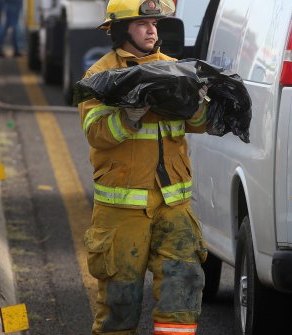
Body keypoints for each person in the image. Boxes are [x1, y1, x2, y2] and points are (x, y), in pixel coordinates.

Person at [78, 1, 210, 334]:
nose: (152, 30)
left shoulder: (176, 69)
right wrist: (126, 119)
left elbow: (200, 123)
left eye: (154, 23)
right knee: (119, 304)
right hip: (122, 211)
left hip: (173, 205)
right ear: (121, 30)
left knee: (182, 291)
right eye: (142, 24)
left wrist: (198, 105)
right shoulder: (99, 77)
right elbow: (96, 134)